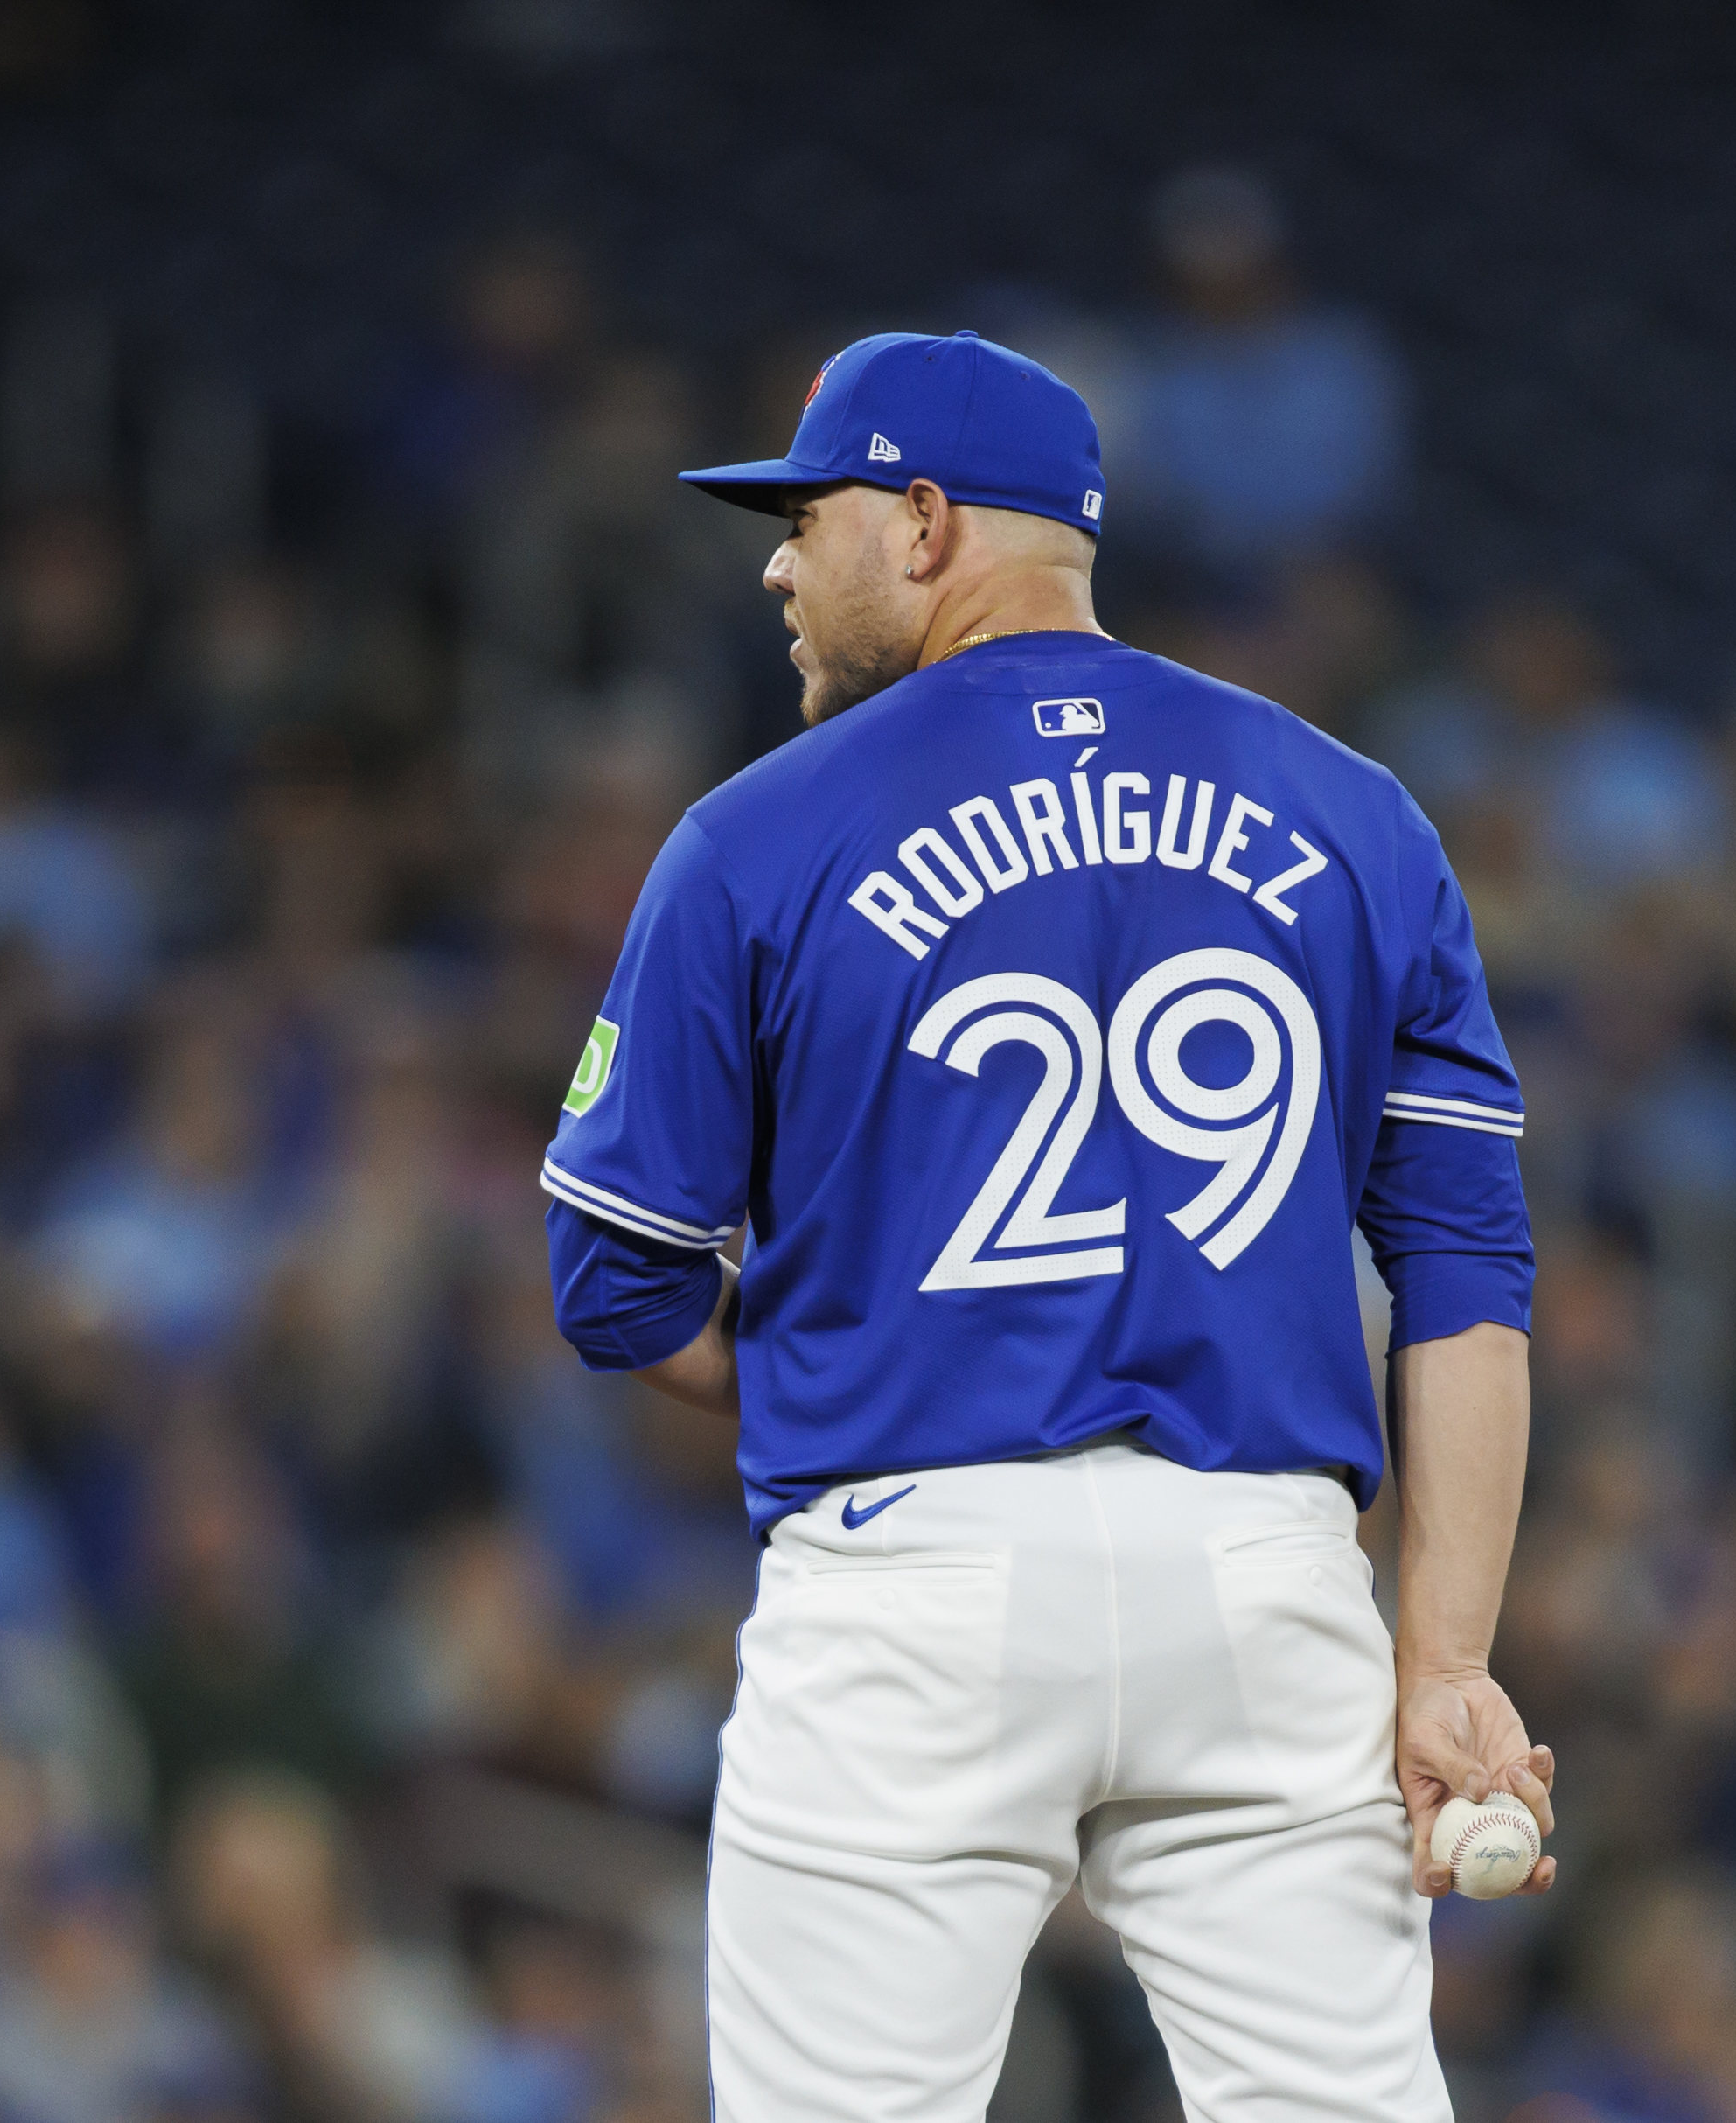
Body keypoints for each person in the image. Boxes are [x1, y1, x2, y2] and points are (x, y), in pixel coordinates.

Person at [539, 330, 1556, 2121]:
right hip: (1264, 1577)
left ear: (925, 522)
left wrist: (860, 1354)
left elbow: (616, 1284)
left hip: (912, 1572)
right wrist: (1451, 1658)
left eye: (810, 513)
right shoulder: (1356, 812)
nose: (777, 558)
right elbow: (1466, 1273)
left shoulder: (752, 835)